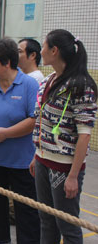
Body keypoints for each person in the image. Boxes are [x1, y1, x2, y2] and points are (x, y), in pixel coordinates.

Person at [30, 30, 97, 243]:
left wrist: (73, 175)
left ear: (54, 50)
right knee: (46, 219)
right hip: (42, 159)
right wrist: (36, 154)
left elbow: (84, 135)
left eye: (43, 46)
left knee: (67, 225)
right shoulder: (48, 80)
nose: (41, 51)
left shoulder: (81, 86)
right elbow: (42, 122)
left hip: (64, 166)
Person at [0, 39, 40, 244]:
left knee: (26, 209)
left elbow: (34, 120)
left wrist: (6, 133)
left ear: (7, 63)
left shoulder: (29, 85)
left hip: (21, 161)